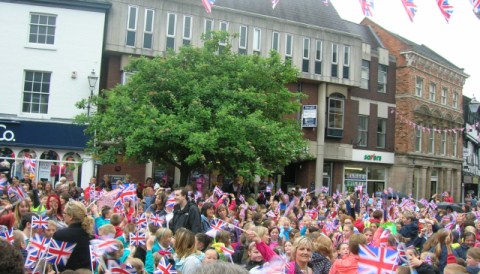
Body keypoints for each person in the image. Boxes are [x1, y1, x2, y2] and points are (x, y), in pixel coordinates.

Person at [53, 200, 94, 271]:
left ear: (71, 216)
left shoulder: (60, 235)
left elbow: (56, 264)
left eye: (64, 213)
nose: (63, 215)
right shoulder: (90, 235)